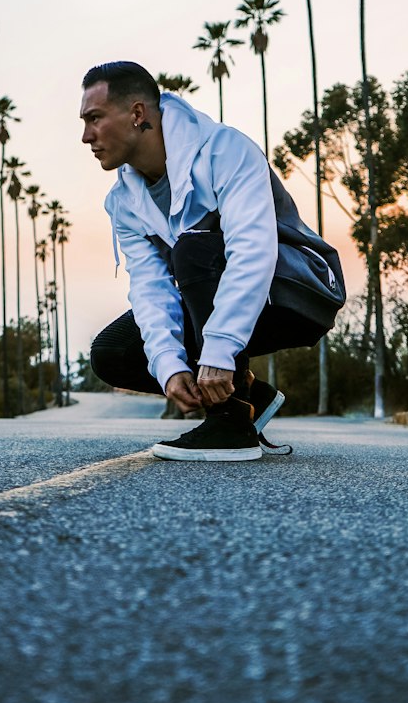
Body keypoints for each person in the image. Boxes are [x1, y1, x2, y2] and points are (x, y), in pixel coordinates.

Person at [80, 61, 345, 461]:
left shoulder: (224, 150)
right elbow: (150, 289)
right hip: (220, 295)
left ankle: (230, 423)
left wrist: (218, 353)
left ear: (137, 114)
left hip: (295, 289)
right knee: (114, 353)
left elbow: (252, 252)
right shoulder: (123, 203)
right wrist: (170, 368)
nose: (86, 136)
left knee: (194, 245)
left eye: (95, 118)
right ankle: (251, 395)